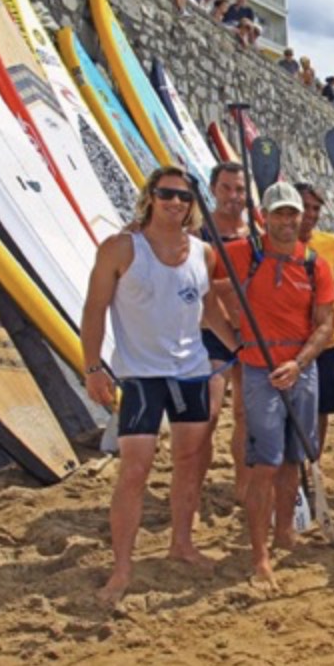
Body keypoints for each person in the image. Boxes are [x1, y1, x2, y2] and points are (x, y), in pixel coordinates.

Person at [81, 166, 238, 606]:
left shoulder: (202, 253)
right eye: (167, 194)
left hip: (190, 370)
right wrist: (92, 367)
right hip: (139, 374)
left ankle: (182, 544)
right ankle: (122, 568)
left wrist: (243, 353)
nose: (175, 203)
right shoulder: (120, 248)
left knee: (190, 460)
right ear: (150, 196)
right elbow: (94, 310)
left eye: (184, 197)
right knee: (135, 468)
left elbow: (210, 312)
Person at [211, 182, 334, 588]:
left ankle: (285, 531)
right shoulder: (240, 254)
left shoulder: (316, 264)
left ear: (301, 217)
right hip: (259, 371)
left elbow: (325, 325)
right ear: (264, 217)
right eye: (279, 213)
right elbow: (197, 279)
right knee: (264, 463)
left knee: (293, 458)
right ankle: (260, 555)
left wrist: (298, 364)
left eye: (292, 214)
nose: (286, 221)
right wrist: (233, 336)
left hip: (302, 368)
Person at [201, 163, 250, 502]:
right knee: (208, 414)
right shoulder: (199, 235)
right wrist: (231, 286)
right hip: (208, 333)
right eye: (226, 188)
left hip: (247, 332)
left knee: (245, 415)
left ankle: (243, 488)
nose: (233, 196)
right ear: (214, 190)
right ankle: (195, 484)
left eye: (240, 189)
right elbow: (192, 286)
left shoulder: (255, 235)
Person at [295, 183, 334, 459]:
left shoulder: (330, 244)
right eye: (305, 206)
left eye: (315, 208)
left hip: (326, 342)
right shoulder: (272, 244)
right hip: (288, 341)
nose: (310, 214)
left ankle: (312, 461)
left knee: (321, 408)